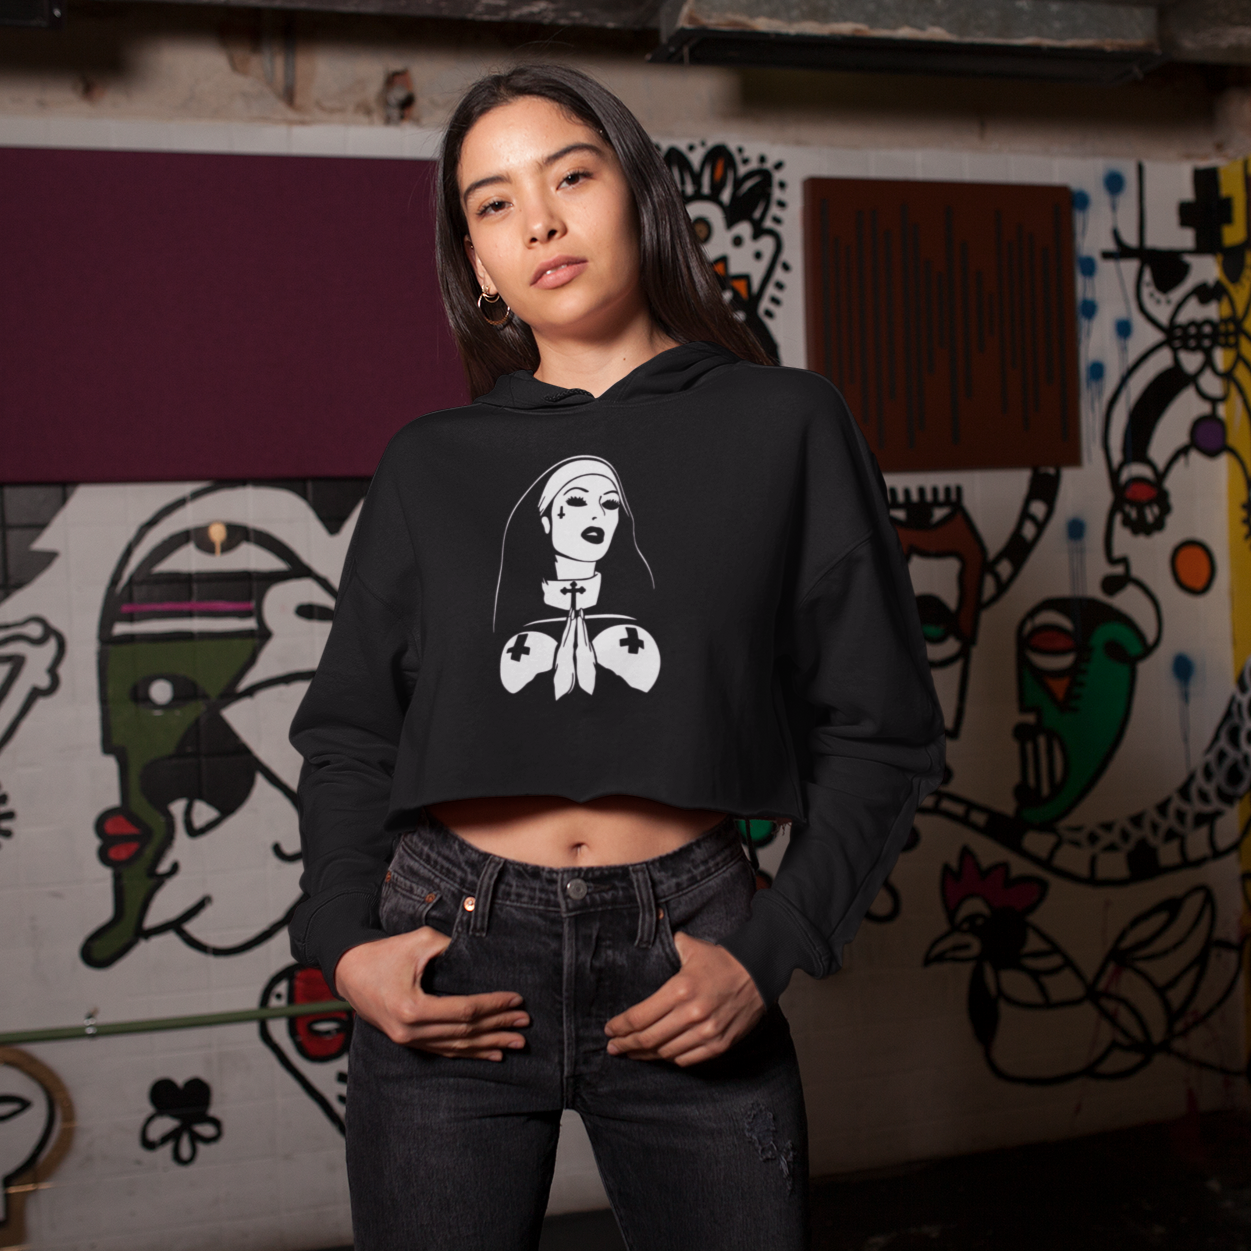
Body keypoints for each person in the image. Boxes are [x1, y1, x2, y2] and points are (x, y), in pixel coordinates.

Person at [288, 63, 944, 1251]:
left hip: (687, 947)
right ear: (477, 264)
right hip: (452, 946)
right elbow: (348, 732)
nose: (539, 221)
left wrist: (771, 948)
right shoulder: (429, 462)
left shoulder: (786, 423)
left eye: (571, 177)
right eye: (494, 203)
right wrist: (347, 947)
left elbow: (881, 730)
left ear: (640, 195)